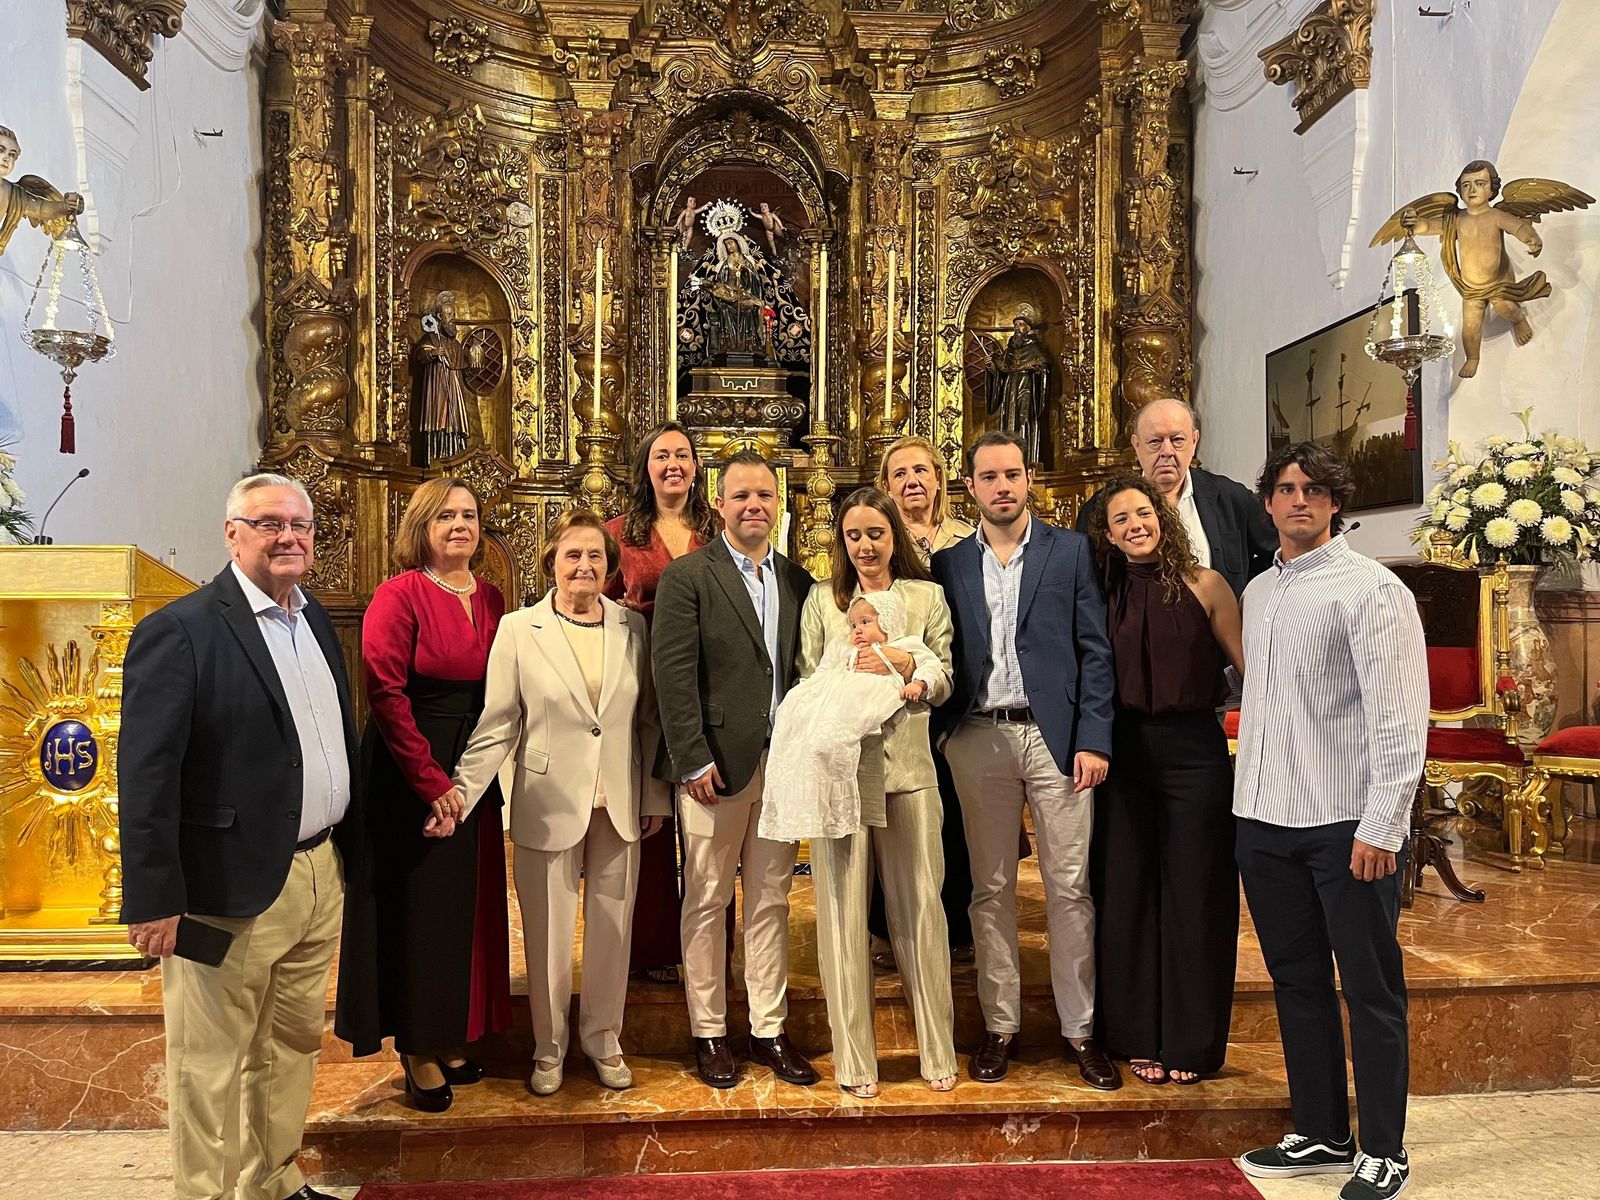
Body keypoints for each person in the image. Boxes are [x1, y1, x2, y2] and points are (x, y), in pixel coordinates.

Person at [119, 472, 360, 1200]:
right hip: (222, 885)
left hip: (316, 873)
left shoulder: (315, 620)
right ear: (232, 533)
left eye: (300, 525)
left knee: (291, 1045)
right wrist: (154, 896)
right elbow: (147, 773)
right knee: (209, 1061)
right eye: (269, 523)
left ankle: (273, 1182)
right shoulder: (182, 629)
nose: (289, 537)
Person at [1233, 443, 1427, 1200]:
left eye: (1313, 489)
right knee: (1296, 981)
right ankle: (1321, 1131)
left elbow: (1399, 716)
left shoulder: (1371, 590)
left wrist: (1384, 823)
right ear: (1268, 503)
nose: (1298, 500)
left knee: (1371, 989)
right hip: (1265, 819)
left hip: (1345, 824)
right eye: (1285, 489)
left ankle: (1384, 1149)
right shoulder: (1259, 590)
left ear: (1336, 502)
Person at [450, 509, 671, 1095]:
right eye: (573, 554)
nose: (584, 566)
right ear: (551, 561)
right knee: (547, 936)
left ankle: (604, 1040)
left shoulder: (632, 627)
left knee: (612, 931)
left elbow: (648, 721)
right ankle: (548, 1049)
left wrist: (655, 795)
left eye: (596, 555)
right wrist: (460, 792)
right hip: (546, 801)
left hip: (619, 800)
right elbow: (499, 722)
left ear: (610, 566)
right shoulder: (520, 629)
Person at [932, 430, 1120, 1091]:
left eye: (1012, 474)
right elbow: (938, 647)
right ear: (971, 487)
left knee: (1069, 887)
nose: (1003, 486)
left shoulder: (1070, 551)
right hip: (979, 735)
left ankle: (1080, 1030)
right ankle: (1000, 1026)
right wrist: (945, 734)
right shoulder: (950, 564)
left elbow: (1095, 650)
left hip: (1056, 738)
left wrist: (1094, 737)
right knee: (990, 888)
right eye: (989, 477)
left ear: (1029, 478)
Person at [334, 478, 511, 1111]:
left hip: (472, 764)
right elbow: (384, 692)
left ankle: (447, 1030)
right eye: (446, 516)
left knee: (460, 910)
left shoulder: (491, 597)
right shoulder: (399, 594)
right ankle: (416, 1046)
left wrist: (473, 776)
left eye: (470, 514)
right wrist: (432, 784)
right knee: (418, 911)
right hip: (408, 765)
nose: (460, 525)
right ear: (421, 528)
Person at [651, 449, 818, 1090]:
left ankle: (768, 1030)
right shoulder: (689, 576)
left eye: (764, 495)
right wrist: (692, 757)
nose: (753, 506)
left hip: (782, 765)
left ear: (779, 504)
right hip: (714, 766)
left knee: (772, 898)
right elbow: (672, 675)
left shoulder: (799, 581)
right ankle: (710, 1032)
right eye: (741, 495)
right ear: (718, 503)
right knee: (708, 898)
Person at [792, 488, 960, 1097]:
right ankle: (855, 1062)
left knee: (922, 908)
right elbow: (807, 680)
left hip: (909, 769)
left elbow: (946, 675)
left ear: (895, 537)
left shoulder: (925, 597)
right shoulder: (823, 600)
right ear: (841, 541)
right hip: (841, 775)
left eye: (876, 534)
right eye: (854, 535)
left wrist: (904, 664)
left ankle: (937, 1049)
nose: (865, 546)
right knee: (842, 915)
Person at [1085, 476, 1244, 1086]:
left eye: (1143, 513)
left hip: (1195, 753)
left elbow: (1252, 670)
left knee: (1195, 894)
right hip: (1122, 755)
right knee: (1127, 893)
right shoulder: (1101, 592)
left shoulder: (1207, 585)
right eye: (1121, 519)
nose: (1135, 526)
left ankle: (1191, 1041)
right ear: (1107, 533)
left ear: (1163, 517)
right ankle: (1136, 1035)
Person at [604, 421, 720, 986]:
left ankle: (709, 951)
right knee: (649, 819)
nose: (673, 464)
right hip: (641, 682)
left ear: (696, 467)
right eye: (661, 455)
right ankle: (651, 948)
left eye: (682, 455)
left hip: (708, 684)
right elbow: (596, 605)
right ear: (645, 467)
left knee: (709, 822)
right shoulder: (618, 533)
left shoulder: (719, 529)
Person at [760, 590, 942, 841]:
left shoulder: (904, 645)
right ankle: (806, 794)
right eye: (854, 625)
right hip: (836, 699)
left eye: (866, 622)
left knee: (836, 738)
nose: (857, 630)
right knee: (795, 715)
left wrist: (918, 683)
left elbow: (932, 665)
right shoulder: (844, 646)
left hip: (870, 701)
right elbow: (823, 669)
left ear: (889, 622)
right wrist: (807, 693)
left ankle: (829, 780)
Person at [1076, 397, 1276, 599]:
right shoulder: (1101, 508)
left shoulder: (1232, 498)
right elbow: (1086, 583)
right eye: (1155, 442)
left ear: (1194, 441)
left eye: (1177, 440)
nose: (1167, 452)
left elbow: (1278, 553)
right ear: (1136, 445)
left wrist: (1249, 595)